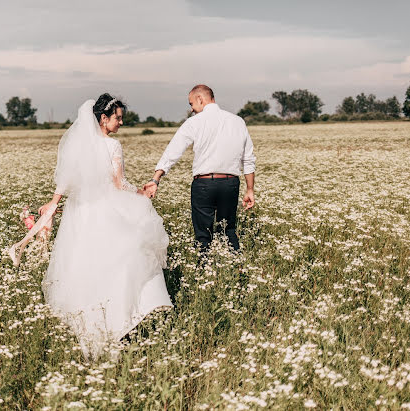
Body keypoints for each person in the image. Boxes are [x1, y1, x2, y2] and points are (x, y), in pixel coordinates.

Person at [38, 93, 172, 359]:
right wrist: (140, 194)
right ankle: (119, 321)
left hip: (81, 214)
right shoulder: (112, 145)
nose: (121, 123)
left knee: (84, 265)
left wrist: (52, 204)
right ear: (104, 119)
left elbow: (65, 181)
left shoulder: (81, 146)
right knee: (122, 260)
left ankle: (87, 325)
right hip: (105, 210)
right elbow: (119, 184)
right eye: (118, 118)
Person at [144, 84, 256, 253]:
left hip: (204, 184)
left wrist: (155, 179)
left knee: (203, 236)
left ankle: (204, 271)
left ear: (200, 99)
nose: (192, 109)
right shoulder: (237, 121)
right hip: (230, 184)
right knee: (229, 230)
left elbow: (173, 151)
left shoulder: (194, 122)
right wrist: (250, 190)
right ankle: (236, 266)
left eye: (191, 104)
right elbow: (248, 159)